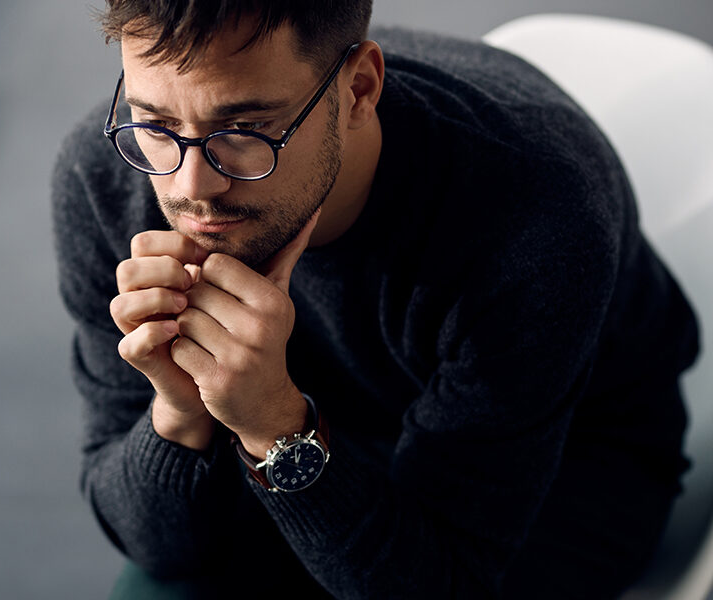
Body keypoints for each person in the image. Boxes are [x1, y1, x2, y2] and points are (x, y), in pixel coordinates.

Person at [50, 1, 700, 597]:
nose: (192, 188)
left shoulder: (532, 223)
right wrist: (180, 410)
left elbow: (437, 583)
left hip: (556, 476)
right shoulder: (107, 177)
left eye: (245, 128)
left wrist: (273, 424)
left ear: (359, 88)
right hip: (296, 430)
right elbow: (157, 551)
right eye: (156, 123)